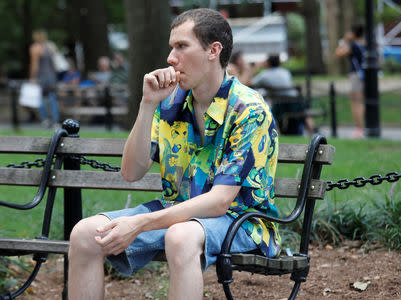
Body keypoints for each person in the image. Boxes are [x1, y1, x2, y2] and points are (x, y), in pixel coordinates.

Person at [68, 8, 280, 300]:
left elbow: (220, 202)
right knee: (85, 235)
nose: (170, 58)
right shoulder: (171, 104)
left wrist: (140, 224)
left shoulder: (248, 110)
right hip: (177, 213)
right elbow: (131, 172)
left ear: (213, 51)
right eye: (171, 47)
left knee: (180, 237)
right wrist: (147, 105)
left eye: (181, 46)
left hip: (241, 221)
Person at [252, 54, 316, 135]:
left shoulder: (264, 75)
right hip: (295, 100)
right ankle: (312, 132)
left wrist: (255, 68)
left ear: (268, 63)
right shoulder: (285, 72)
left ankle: (276, 133)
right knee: (304, 112)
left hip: (279, 104)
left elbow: (251, 83)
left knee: (273, 110)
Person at [335, 23, 365, 139]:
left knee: (355, 103)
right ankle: (362, 127)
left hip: (356, 76)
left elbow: (338, 53)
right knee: (361, 102)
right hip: (364, 75)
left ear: (353, 34)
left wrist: (344, 40)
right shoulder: (365, 43)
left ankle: (359, 129)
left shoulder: (353, 45)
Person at [29, 29, 60, 127]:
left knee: (40, 98)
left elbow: (35, 65)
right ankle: (55, 121)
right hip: (52, 75)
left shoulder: (35, 48)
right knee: (52, 98)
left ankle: (45, 119)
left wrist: (32, 77)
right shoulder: (51, 46)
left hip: (41, 76)